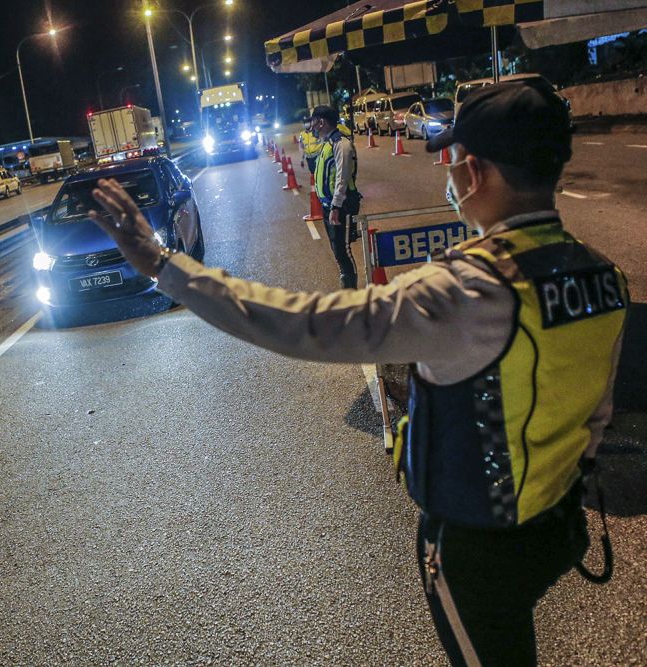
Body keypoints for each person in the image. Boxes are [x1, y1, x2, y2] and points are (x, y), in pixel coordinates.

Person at [86, 77, 627, 666]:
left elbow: (304, 322)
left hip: (480, 550)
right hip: (558, 525)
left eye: (454, 160)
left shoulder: (466, 291)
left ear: (475, 173)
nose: (451, 175)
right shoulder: (602, 276)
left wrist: (167, 268)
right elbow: (597, 407)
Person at [309, 104, 360, 289]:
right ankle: (347, 289)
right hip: (329, 206)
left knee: (343, 250)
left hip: (341, 206)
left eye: (313, 121)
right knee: (337, 249)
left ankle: (352, 293)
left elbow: (342, 178)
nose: (311, 126)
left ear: (321, 122)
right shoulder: (328, 143)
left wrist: (336, 207)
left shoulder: (341, 144)